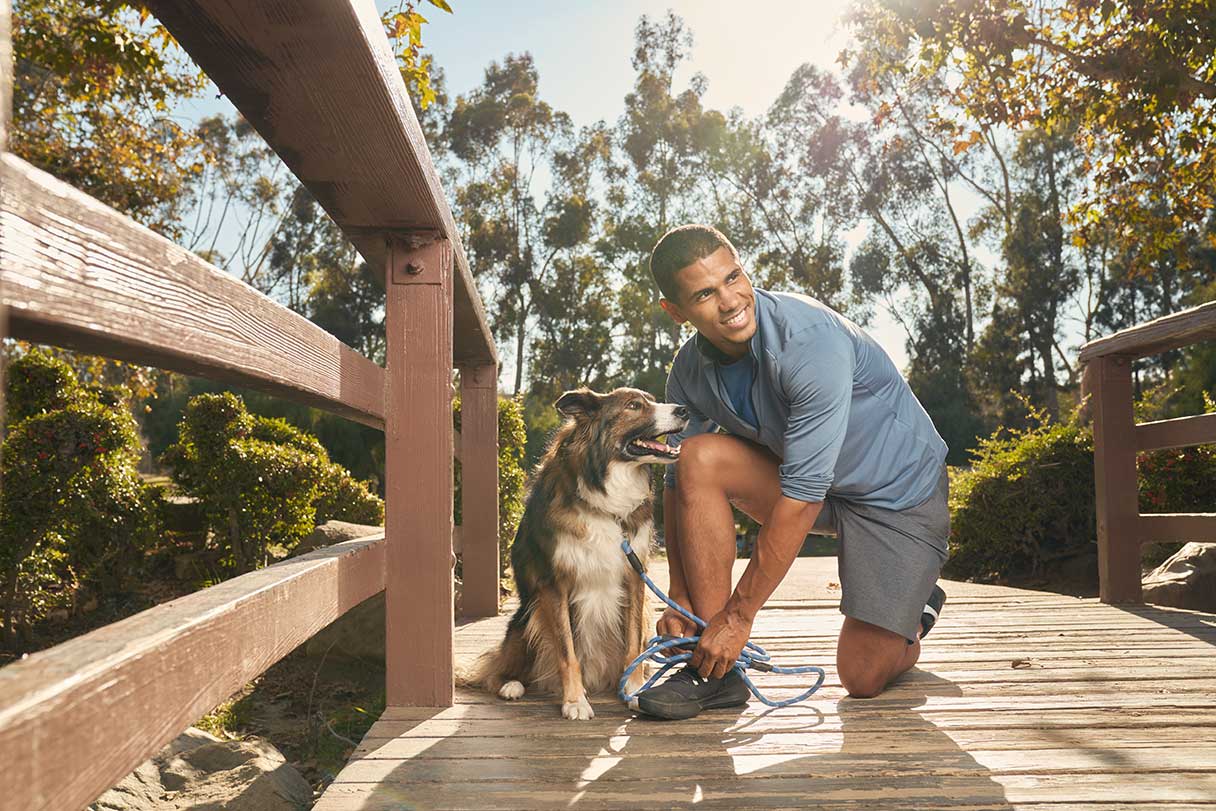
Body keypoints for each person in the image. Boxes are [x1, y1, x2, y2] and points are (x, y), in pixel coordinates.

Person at [632, 224, 950, 721]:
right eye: (704, 293)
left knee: (861, 677)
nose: (731, 300)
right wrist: (680, 594)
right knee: (696, 456)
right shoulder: (690, 369)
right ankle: (717, 676)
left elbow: (799, 501)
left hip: (897, 498)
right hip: (818, 490)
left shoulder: (809, 344)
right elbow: (675, 481)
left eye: (734, 277)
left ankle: (915, 609)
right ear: (676, 312)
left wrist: (739, 618)